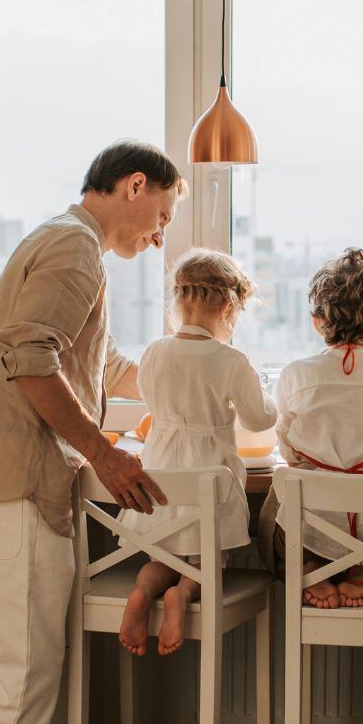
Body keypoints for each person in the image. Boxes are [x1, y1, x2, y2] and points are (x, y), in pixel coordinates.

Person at [0, 141, 182, 724]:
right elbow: (31, 357)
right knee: (18, 689)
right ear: (134, 185)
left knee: (7, 684)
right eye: (162, 213)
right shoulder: (77, 250)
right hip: (15, 485)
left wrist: (195, 375)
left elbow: (93, 363)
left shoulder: (60, 241)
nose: (161, 233)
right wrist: (105, 449)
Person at [116, 250, 276, 657]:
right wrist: (274, 403)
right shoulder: (232, 360)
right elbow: (258, 420)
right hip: (209, 480)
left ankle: (142, 592)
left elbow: (152, 401)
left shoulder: (154, 352)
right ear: (226, 307)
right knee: (207, 562)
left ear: (179, 303)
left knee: (162, 557)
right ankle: (184, 594)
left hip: (161, 482)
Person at [259, 248, 363, 608]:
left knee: (275, 512)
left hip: (310, 526)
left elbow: (287, 450)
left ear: (318, 322)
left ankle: (311, 564)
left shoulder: (296, 374)